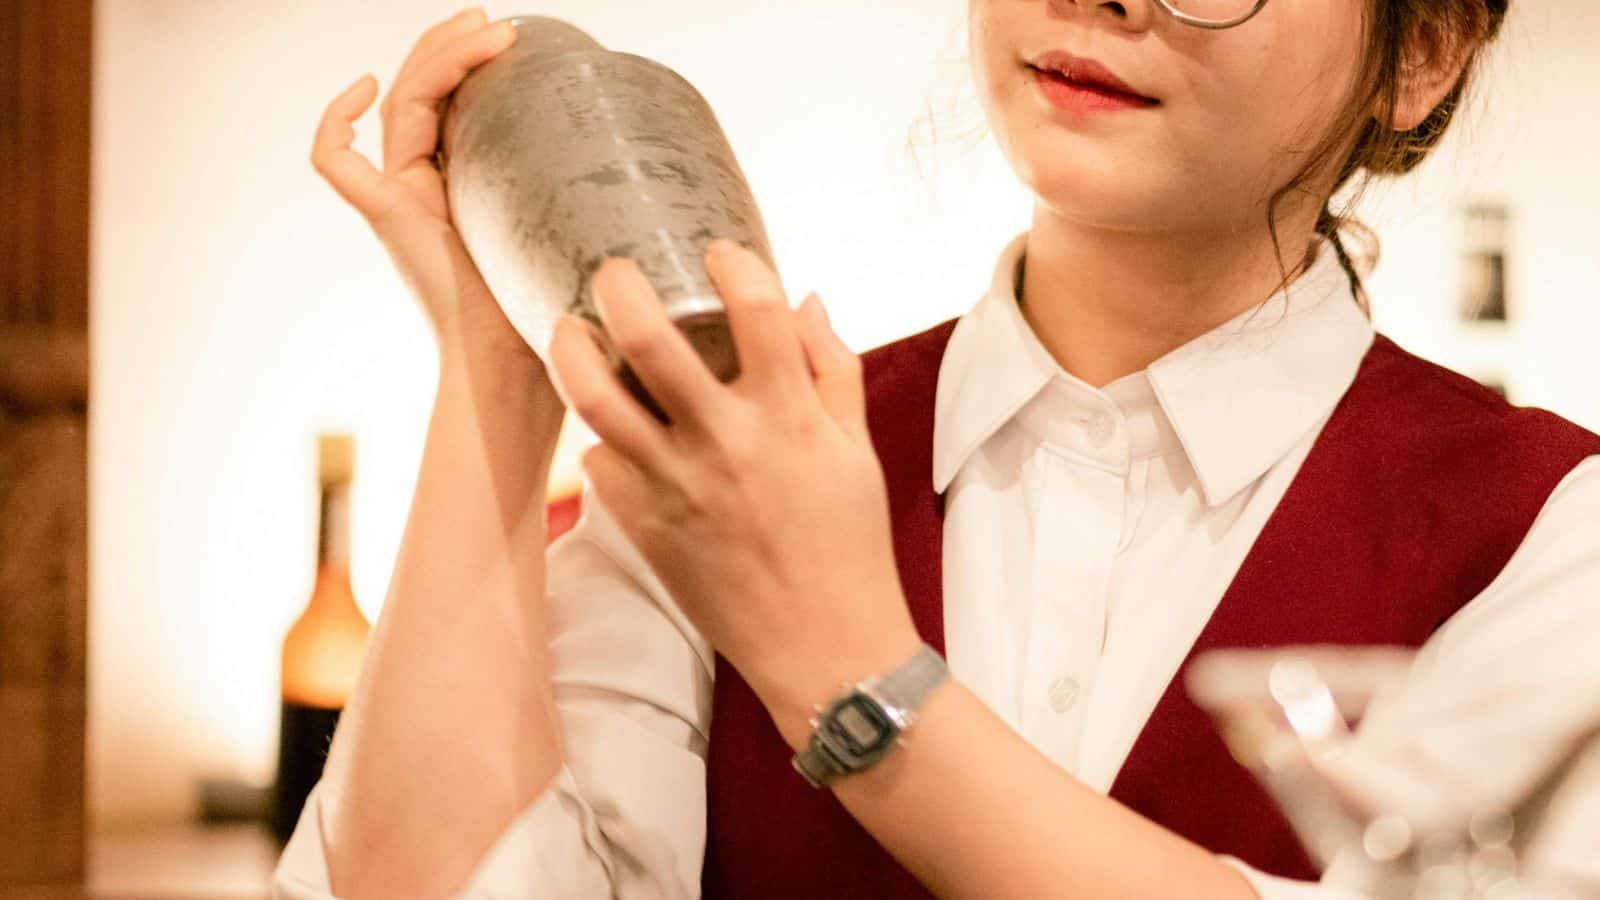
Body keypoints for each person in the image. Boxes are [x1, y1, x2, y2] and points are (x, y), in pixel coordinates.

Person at [275, 1, 1600, 898]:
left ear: (1422, 48)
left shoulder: (1550, 525)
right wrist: (498, 363)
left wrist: (843, 664)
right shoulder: (738, 454)